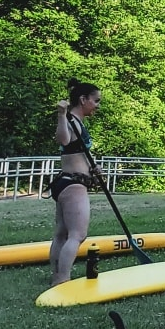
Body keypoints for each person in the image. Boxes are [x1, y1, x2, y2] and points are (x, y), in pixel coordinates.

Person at [50, 83, 103, 284]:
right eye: (95, 101)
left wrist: (94, 167)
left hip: (66, 182)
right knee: (77, 235)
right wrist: (61, 115)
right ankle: (61, 280)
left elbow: (77, 152)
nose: (97, 106)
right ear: (83, 100)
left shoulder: (77, 122)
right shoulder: (71, 121)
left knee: (62, 234)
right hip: (73, 185)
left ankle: (56, 275)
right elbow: (63, 140)